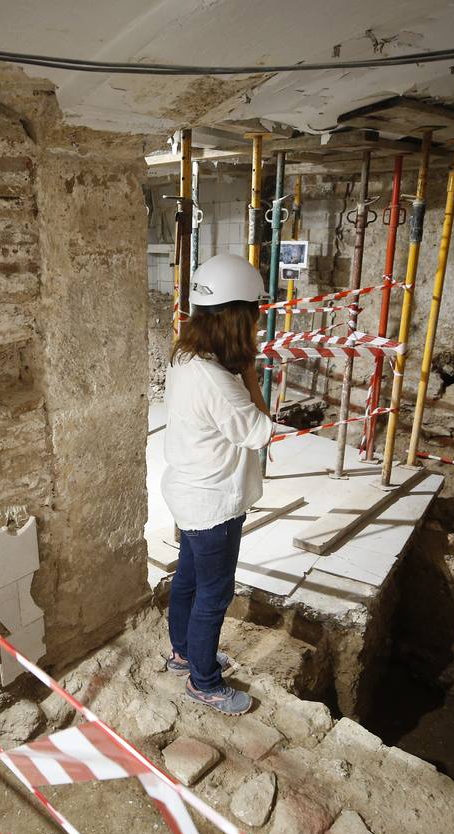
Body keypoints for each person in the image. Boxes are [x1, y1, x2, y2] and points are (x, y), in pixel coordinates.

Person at [161, 254, 272, 715]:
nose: (258, 324)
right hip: (214, 503)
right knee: (214, 594)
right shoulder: (219, 380)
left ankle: (184, 653)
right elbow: (259, 430)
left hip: (190, 491)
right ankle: (203, 681)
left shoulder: (187, 357)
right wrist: (250, 371)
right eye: (254, 316)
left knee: (188, 579)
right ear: (236, 318)